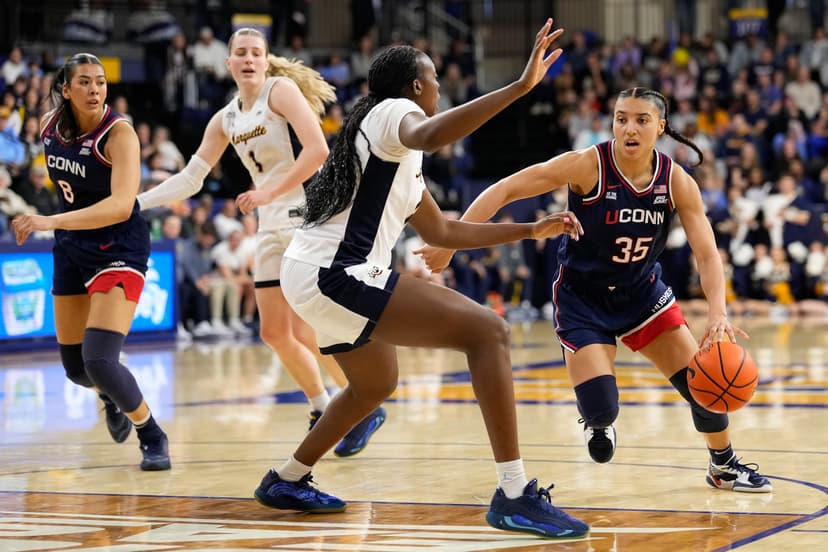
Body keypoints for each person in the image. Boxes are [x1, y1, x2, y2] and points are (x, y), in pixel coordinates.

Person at [254, 19, 591, 540]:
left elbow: (443, 232)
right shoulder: (393, 113)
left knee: (375, 385)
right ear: (416, 86)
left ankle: (287, 478)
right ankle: (514, 494)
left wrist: (529, 229)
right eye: (433, 80)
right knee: (489, 332)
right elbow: (432, 135)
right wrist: (520, 88)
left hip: (312, 273)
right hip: (334, 272)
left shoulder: (396, 157)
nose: (438, 89)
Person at [418, 87, 772, 493]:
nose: (629, 128)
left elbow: (707, 254)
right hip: (582, 298)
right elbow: (505, 189)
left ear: (660, 127)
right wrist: (450, 240)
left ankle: (723, 466)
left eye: (641, 120)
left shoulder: (676, 181)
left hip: (642, 295)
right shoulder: (588, 165)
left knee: (705, 386)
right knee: (602, 412)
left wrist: (718, 314)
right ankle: (596, 419)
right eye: (621, 119)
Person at [137, 28, 385, 456]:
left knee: (308, 328)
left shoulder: (280, 91)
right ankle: (322, 406)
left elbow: (317, 150)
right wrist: (138, 202)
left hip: (305, 216)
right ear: (228, 63)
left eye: (256, 53)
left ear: (266, 61)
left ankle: (363, 405)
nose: (249, 59)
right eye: (241, 53)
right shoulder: (225, 118)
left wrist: (269, 193)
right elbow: (191, 178)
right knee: (273, 332)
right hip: (269, 224)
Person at [11, 53, 170, 471]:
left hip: (118, 247)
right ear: (66, 90)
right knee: (77, 370)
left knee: (99, 359)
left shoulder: (119, 134)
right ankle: (111, 394)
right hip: (72, 246)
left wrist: (50, 221)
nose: (95, 89)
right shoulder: (49, 125)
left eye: (100, 81)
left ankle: (152, 434)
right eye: (84, 81)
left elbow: (120, 206)